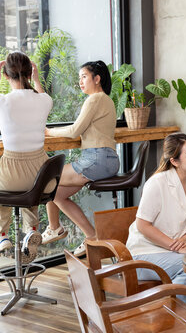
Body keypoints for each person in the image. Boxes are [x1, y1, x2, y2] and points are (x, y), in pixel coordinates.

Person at [0, 52, 53, 262]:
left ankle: (2, 236)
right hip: (42, 177)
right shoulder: (43, 100)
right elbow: (45, 98)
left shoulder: (2, 101)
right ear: (30, 72)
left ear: (6, 74)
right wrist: (36, 80)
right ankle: (32, 229)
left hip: (11, 174)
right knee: (31, 187)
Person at [125, 132, 186, 309]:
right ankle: (175, 319)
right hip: (144, 253)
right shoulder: (157, 183)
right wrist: (174, 245)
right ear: (174, 161)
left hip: (172, 250)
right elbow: (142, 225)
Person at [42, 60, 119, 256]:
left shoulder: (95, 99)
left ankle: (54, 228)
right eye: (79, 78)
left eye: (84, 76)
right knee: (57, 194)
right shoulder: (107, 100)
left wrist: (48, 133)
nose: (80, 82)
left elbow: (76, 130)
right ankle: (91, 237)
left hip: (96, 158)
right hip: (107, 159)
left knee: (47, 178)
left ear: (97, 78)